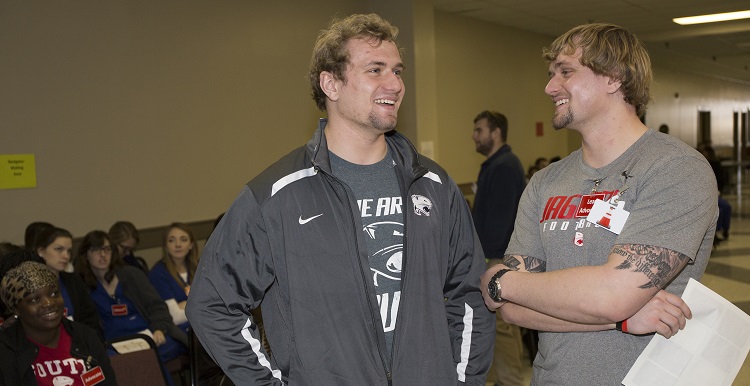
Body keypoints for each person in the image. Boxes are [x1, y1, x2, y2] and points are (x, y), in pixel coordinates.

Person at [186, 13, 494, 385]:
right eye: (376, 69)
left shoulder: (433, 185)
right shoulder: (276, 196)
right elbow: (213, 304)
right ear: (331, 83)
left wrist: (462, 380)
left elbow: (469, 293)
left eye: (398, 71)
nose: (394, 84)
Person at [480, 23, 717, 385]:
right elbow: (512, 311)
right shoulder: (546, 181)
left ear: (614, 76)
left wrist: (503, 281)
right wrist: (620, 320)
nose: (549, 87)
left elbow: (612, 294)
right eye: (550, 74)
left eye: (566, 71)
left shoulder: (676, 169)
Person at [471, 110, 526, 385]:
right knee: (504, 326)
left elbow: (500, 222)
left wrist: (488, 262)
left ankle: (511, 381)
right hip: (493, 256)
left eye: (479, 130)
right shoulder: (495, 165)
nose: (474, 136)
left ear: (495, 133)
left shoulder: (504, 166)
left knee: (503, 327)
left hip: (496, 257)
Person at [75, 230, 187, 364]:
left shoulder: (131, 274)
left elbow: (157, 306)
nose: (103, 254)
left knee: (166, 347)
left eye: (107, 249)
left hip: (148, 336)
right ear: (86, 254)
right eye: (96, 250)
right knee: (117, 362)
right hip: (114, 345)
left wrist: (158, 328)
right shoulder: (81, 286)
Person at [0, 261, 116, 385]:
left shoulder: (86, 337)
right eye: (34, 299)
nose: (49, 303)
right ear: (16, 309)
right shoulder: (5, 351)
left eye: (54, 294)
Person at [34, 226, 103, 338]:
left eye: (69, 251)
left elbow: (90, 320)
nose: (66, 256)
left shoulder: (74, 281)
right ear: (41, 252)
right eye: (59, 249)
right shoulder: (28, 287)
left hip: (77, 344)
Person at [148, 222, 199, 333]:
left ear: (191, 244)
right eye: (171, 240)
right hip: (176, 333)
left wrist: (184, 305)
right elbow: (175, 317)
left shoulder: (200, 268)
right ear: (165, 246)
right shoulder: (158, 273)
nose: (178, 245)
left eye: (183, 239)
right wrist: (200, 302)